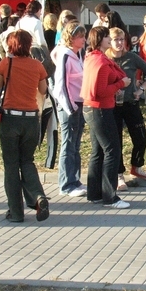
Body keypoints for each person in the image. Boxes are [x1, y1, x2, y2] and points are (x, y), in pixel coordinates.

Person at [0, 30, 49, 223]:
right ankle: (37, 196)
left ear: (11, 45)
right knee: (27, 161)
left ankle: (15, 213)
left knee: (11, 165)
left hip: (10, 119)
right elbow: (43, 90)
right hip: (31, 119)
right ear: (28, 45)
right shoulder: (37, 65)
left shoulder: (5, 64)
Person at [81, 26, 131, 209]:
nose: (110, 39)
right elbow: (99, 92)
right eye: (106, 37)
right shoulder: (100, 62)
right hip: (99, 109)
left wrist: (119, 81)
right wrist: (120, 84)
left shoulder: (94, 58)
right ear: (99, 39)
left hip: (92, 109)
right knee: (112, 150)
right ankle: (110, 196)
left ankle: (95, 193)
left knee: (98, 151)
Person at [107, 27, 146, 189]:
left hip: (131, 102)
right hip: (112, 105)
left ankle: (137, 166)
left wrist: (141, 89)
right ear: (110, 41)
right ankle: (118, 174)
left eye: (122, 39)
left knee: (141, 138)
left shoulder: (131, 57)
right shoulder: (105, 58)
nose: (119, 43)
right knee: (116, 141)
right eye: (116, 40)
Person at [52, 21, 88, 197]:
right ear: (71, 38)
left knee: (75, 144)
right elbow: (61, 86)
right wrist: (70, 108)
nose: (83, 39)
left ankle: (75, 180)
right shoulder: (65, 54)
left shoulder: (78, 54)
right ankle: (66, 184)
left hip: (79, 103)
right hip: (69, 105)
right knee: (68, 144)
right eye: (80, 36)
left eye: (83, 36)